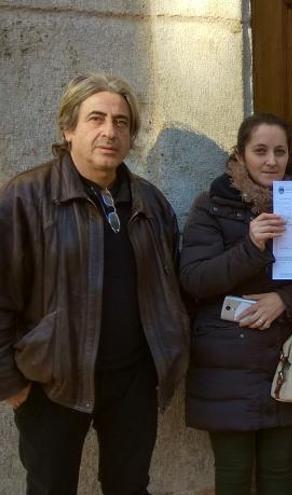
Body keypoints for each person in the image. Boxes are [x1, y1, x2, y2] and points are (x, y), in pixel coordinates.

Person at [0, 73, 189, 493]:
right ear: (68, 128)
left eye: (121, 122)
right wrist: (11, 385)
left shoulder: (150, 202)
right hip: (52, 382)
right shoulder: (26, 197)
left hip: (133, 383)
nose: (110, 131)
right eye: (96, 118)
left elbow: (170, 284)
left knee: (129, 486)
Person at [179, 113, 292, 494]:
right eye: (260, 151)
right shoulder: (211, 205)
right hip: (228, 361)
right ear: (240, 155)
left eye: (279, 151)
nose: (271, 161)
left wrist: (285, 300)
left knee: (280, 470)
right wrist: (251, 246)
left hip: (285, 357)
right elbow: (194, 279)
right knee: (233, 472)